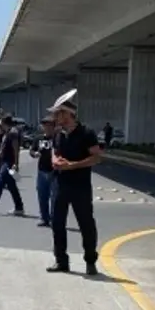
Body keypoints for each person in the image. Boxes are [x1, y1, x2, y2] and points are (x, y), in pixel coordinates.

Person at [47, 89, 102, 276]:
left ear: (68, 114)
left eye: (58, 113)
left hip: (80, 186)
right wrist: (55, 160)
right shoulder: (58, 133)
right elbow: (54, 151)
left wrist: (74, 165)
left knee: (86, 223)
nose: (55, 117)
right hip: (60, 184)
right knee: (57, 222)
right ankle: (61, 260)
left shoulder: (87, 133)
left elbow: (96, 157)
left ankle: (90, 260)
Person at [0, 115, 25, 216]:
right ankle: (19, 207)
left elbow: (16, 148)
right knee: (11, 185)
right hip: (4, 161)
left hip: (9, 162)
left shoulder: (13, 132)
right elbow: (3, 147)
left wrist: (16, 163)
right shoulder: (7, 133)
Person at [29, 116, 57, 228]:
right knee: (42, 196)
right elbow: (32, 150)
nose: (47, 128)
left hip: (54, 172)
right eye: (45, 125)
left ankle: (54, 219)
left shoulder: (57, 138)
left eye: (50, 125)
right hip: (42, 171)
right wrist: (34, 154)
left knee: (55, 198)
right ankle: (44, 218)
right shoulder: (38, 138)